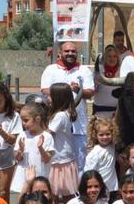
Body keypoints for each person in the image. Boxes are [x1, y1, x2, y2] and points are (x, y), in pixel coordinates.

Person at [41, 41, 95, 169]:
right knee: (56, 162)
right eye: (67, 51)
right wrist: (64, 91)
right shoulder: (51, 69)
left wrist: (78, 90)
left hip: (78, 126)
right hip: (55, 125)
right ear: (60, 53)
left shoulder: (84, 70)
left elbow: (90, 92)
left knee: (80, 163)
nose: (70, 53)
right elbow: (44, 90)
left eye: (73, 51)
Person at [11, 103, 54, 201]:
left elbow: (47, 159)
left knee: (41, 200)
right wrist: (20, 151)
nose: (23, 123)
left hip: (40, 174)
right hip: (24, 174)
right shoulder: (22, 135)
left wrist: (41, 148)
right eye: (22, 120)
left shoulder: (47, 136)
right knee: (23, 200)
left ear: (37, 119)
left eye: (26, 120)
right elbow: (17, 159)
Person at [46, 82, 80, 204]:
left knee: (60, 193)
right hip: (63, 158)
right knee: (59, 192)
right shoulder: (64, 113)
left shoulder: (60, 116)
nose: (47, 98)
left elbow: (49, 133)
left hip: (60, 160)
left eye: (50, 95)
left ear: (58, 98)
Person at [84, 116, 118, 199]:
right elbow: (89, 171)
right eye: (101, 135)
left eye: (108, 134)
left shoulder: (112, 146)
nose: (105, 137)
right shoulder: (95, 152)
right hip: (99, 188)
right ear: (96, 135)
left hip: (113, 187)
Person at [93, 45, 121, 118]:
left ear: (117, 58)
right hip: (100, 113)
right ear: (105, 58)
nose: (112, 59)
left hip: (117, 113)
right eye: (109, 56)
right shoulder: (99, 70)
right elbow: (93, 89)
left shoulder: (121, 71)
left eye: (114, 56)